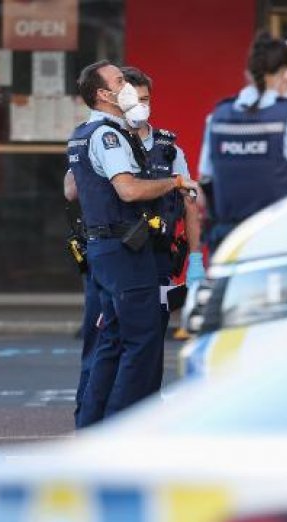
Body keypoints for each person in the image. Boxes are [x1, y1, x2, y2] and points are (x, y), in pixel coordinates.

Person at [66, 61, 198, 428]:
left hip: (115, 249)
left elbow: (72, 187)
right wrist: (172, 183)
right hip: (122, 249)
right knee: (140, 342)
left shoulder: (86, 132)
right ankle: (123, 429)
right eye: (121, 83)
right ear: (104, 94)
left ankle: (93, 426)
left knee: (111, 340)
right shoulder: (109, 135)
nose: (128, 90)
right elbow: (128, 190)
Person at [198, 32, 287, 254]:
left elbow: (203, 191)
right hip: (281, 246)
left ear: (248, 74)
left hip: (229, 248)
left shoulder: (217, 118)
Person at [119, 65, 204, 386]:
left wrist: (196, 260)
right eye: (133, 99)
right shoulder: (108, 141)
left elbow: (190, 202)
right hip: (118, 255)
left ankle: (146, 406)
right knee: (115, 340)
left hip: (157, 257)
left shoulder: (169, 150)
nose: (140, 105)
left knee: (152, 339)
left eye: (145, 99)